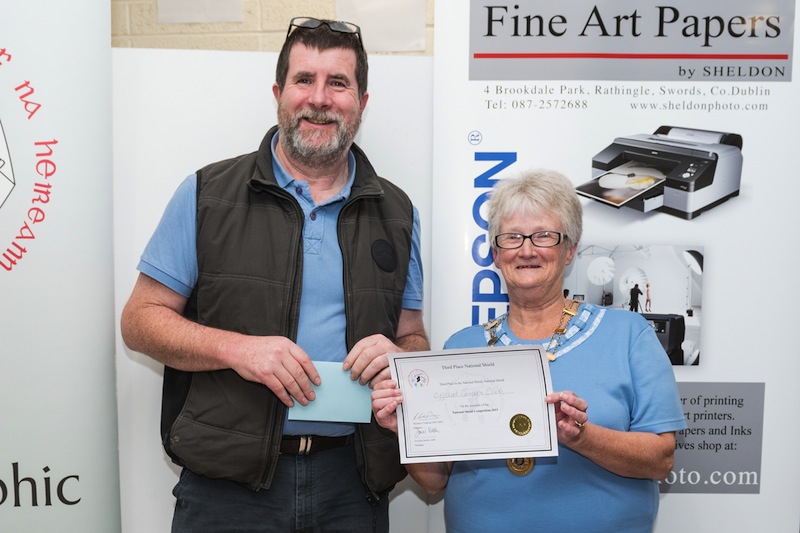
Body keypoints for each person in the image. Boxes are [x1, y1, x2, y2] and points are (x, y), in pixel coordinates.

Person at [120, 16, 429, 532]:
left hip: (353, 486)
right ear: (278, 94)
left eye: (338, 83)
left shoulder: (397, 213)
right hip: (226, 489)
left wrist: (401, 358)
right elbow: (139, 321)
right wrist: (238, 350)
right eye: (304, 79)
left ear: (361, 102)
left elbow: (413, 337)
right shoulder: (206, 194)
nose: (319, 98)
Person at [372, 169, 686, 532]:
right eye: (512, 237)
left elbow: (660, 460)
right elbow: (435, 480)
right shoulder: (461, 347)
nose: (526, 250)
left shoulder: (628, 334)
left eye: (544, 235)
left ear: (570, 250)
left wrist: (582, 437)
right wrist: (407, 429)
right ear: (495, 253)